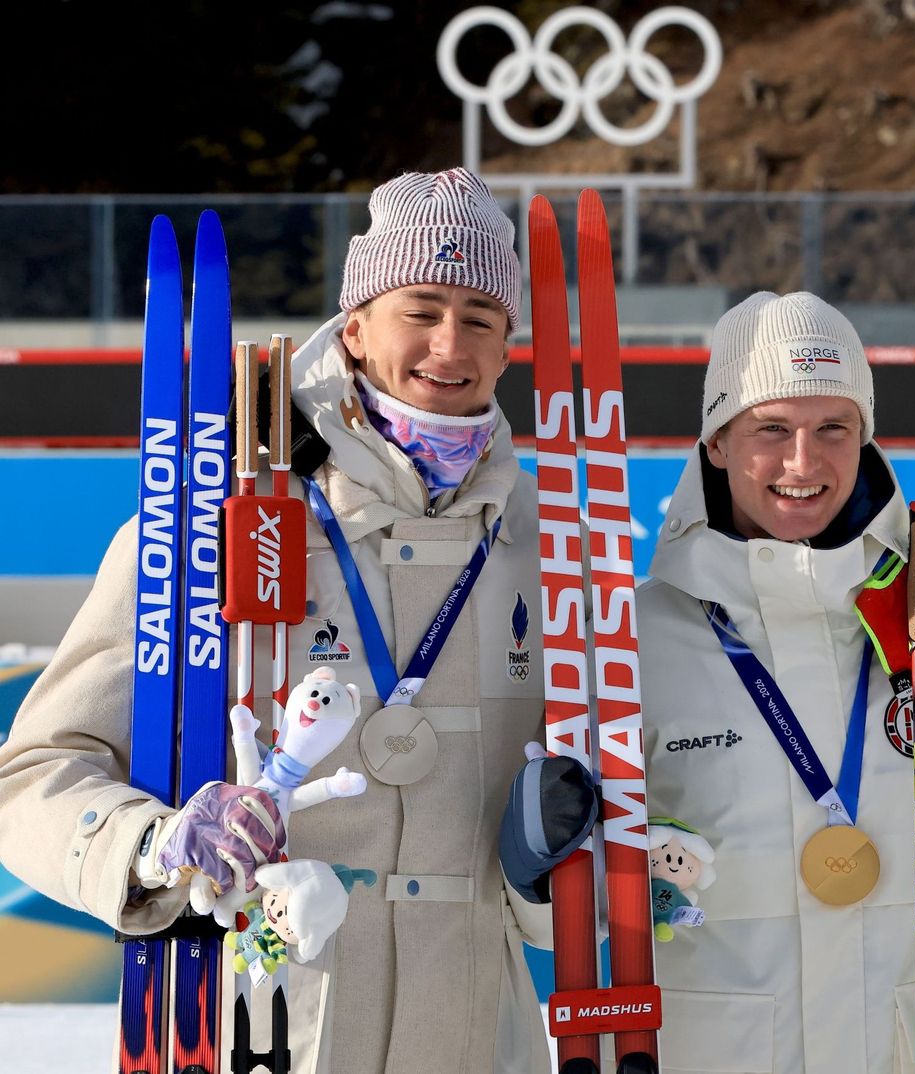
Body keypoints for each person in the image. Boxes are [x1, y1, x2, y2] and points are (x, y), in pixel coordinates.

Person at [0, 168, 559, 1074]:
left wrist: (550, 870)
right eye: (419, 309)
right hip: (264, 1029)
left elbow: (576, 848)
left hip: (475, 1036)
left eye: (480, 317)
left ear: (507, 348)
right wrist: (153, 845)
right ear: (356, 326)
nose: (448, 343)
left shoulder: (546, 544)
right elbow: (33, 775)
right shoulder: (216, 518)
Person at [606, 291, 915, 1073]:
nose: (803, 462)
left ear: (865, 437)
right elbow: (559, 918)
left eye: (833, 428)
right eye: (770, 429)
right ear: (716, 442)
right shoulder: (635, 638)